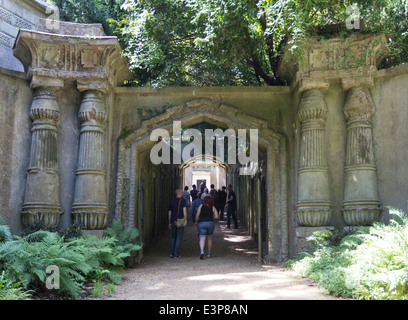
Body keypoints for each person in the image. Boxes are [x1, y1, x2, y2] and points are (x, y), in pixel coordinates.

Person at [168, 189, 187, 258]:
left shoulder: (172, 201)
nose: (182, 194)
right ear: (180, 193)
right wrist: (185, 220)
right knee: (178, 238)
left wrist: (169, 222)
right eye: (182, 193)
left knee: (173, 237)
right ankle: (176, 254)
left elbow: (169, 213)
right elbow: (184, 211)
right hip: (180, 221)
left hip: (173, 221)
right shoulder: (183, 201)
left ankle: (171, 253)